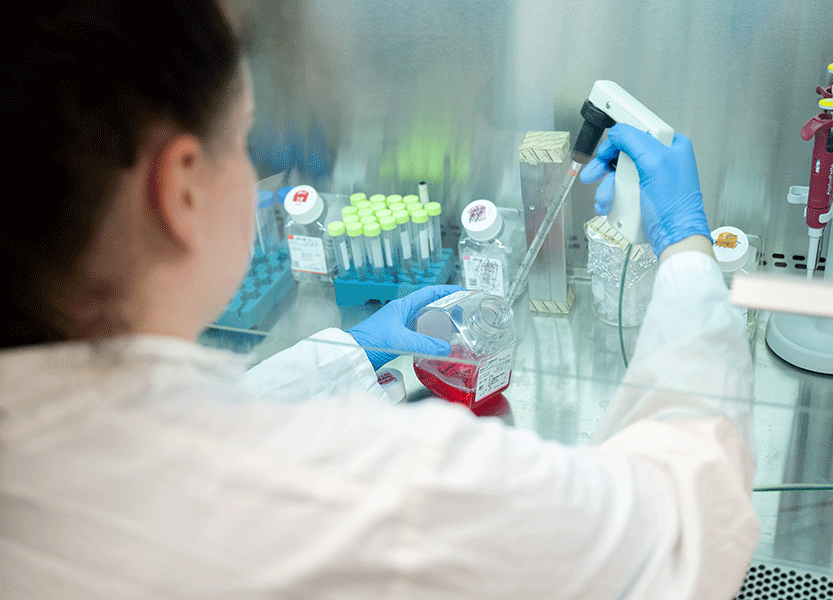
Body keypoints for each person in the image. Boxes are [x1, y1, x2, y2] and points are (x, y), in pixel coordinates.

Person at [1, 2, 759, 599]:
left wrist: (344, 355)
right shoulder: (389, 489)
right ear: (180, 189)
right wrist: (687, 252)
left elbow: (160, 441)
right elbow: (679, 534)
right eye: (246, 140)